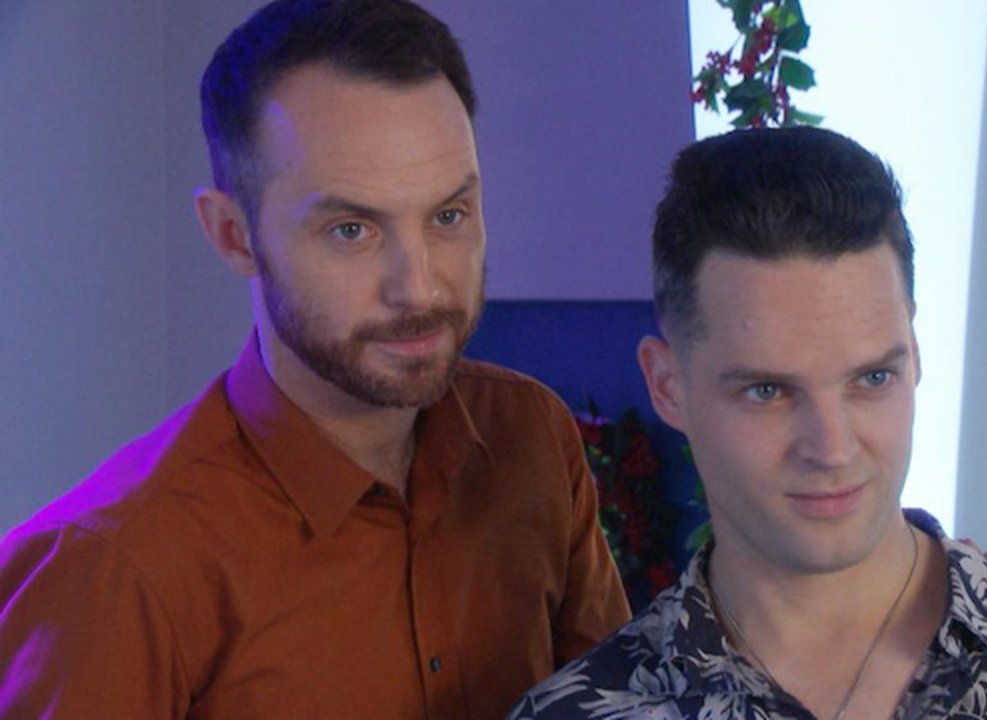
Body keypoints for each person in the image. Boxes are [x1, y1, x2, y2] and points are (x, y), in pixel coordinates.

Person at [0, 1, 627, 718]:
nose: (419, 287)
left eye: (448, 216)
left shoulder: (532, 436)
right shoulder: (117, 569)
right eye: (352, 230)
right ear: (234, 235)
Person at [508, 127, 987, 719]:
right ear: (668, 386)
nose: (832, 447)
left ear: (914, 355)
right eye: (767, 391)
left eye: (872, 379)